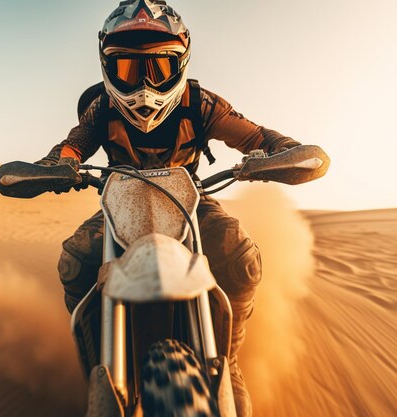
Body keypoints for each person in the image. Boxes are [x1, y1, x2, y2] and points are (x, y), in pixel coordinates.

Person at [36, 1, 301, 415]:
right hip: (119, 200)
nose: (143, 84)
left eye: (159, 68)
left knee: (241, 260)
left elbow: (255, 135)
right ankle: (95, 365)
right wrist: (56, 167)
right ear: (107, 67)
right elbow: (72, 145)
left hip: (189, 197)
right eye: (127, 68)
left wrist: (282, 150)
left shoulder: (201, 102)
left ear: (181, 63)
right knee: (75, 260)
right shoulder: (102, 107)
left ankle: (227, 357)